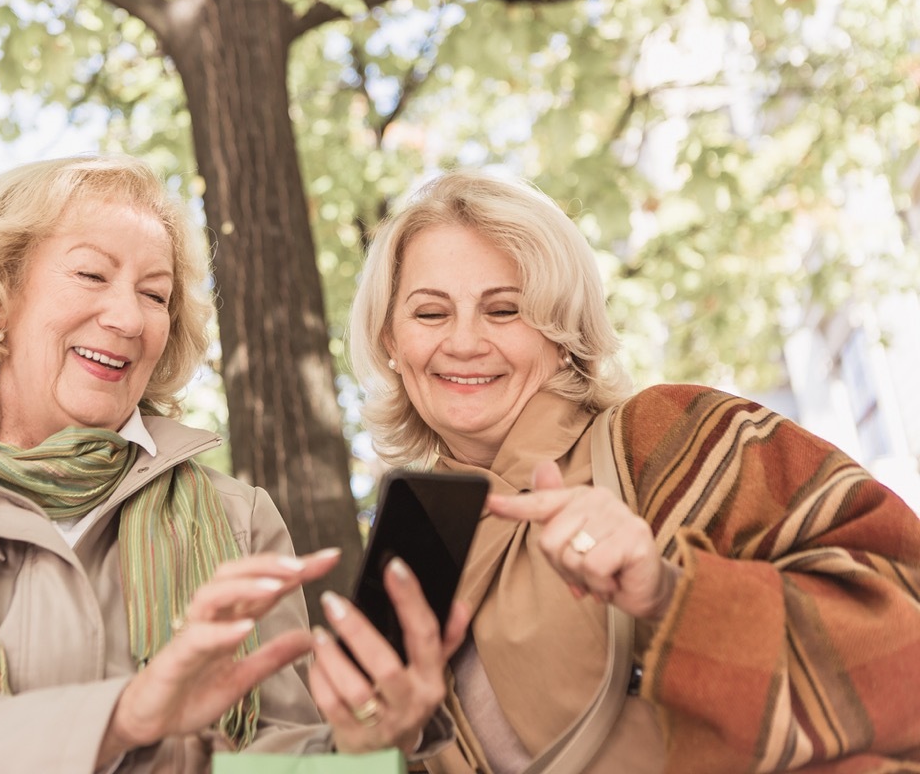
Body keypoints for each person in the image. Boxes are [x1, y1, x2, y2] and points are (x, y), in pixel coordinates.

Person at [0, 154, 464, 773]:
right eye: (92, 274)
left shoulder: (238, 520)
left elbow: (278, 756)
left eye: (155, 295)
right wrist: (123, 718)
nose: (128, 318)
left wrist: (363, 748)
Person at [347, 169, 920, 773]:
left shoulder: (668, 435)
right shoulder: (409, 552)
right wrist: (365, 747)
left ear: (562, 331)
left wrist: (668, 593)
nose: (464, 342)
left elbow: (904, 635)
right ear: (391, 340)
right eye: (431, 314)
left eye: (505, 309)